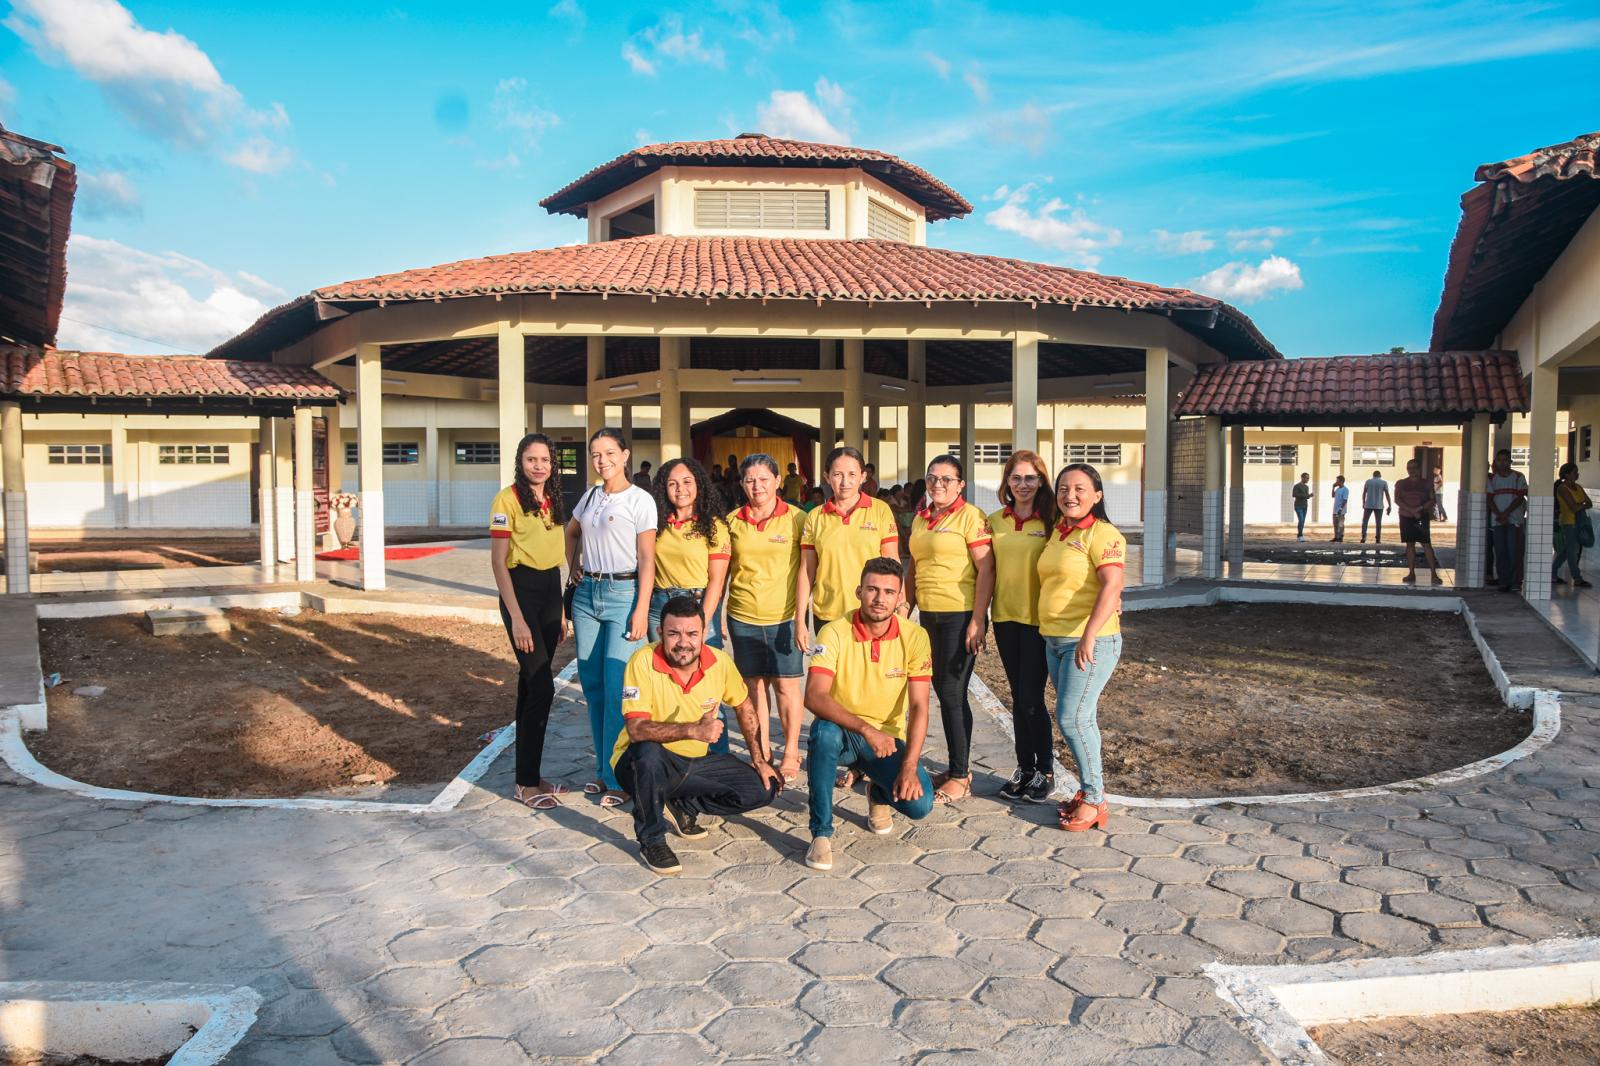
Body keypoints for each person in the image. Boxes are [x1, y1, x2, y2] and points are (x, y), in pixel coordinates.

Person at [613, 596, 783, 874]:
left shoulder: (720, 661)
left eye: (692, 633)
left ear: (704, 634)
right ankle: (652, 839)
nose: (683, 642)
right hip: (638, 765)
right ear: (660, 634)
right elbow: (636, 729)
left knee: (765, 788)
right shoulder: (642, 661)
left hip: (690, 765)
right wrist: (693, 729)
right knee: (647, 752)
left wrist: (760, 759)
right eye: (674, 633)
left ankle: (681, 804)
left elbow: (745, 706)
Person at [802, 558, 935, 870]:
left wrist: (909, 766)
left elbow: (919, 708)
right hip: (845, 733)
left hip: (886, 741)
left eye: (889, 592)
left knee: (920, 805)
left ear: (900, 597)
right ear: (859, 591)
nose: (880, 598)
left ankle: (879, 790)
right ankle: (820, 833)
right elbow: (814, 695)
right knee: (822, 732)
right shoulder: (834, 632)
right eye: (873, 589)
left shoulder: (915, 637)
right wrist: (866, 729)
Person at [565, 428, 658, 807]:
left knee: (620, 687)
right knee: (593, 685)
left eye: (608, 453)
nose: (601, 460)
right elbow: (571, 533)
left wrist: (640, 608)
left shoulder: (641, 500)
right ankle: (603, 771)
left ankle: (619, 776)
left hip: (624, 595)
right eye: (595, 454)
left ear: (625, 455)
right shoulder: (589, 497)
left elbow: (648, 560)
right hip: (587, 594)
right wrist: (571, 569)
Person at [1039, 463, 1125, 832]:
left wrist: (1089, 634)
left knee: (1071, 718)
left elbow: (1112, 585)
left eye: (1079, 489)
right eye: (1063, 489)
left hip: (1088, 641)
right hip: (1055, 640)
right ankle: (1088, 791)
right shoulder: (1059, 531)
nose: (1070, 495)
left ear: (1097, 495)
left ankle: (1094, 798)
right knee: (1080, 718)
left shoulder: (1103, 534)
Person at [905, 454, 995, 805]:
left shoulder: (971, 517)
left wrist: (977, 619)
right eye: (932, 478)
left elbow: (986, 570)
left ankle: (961, 774)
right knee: (942, 691)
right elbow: (914, 566)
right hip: (929, 615)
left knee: (951, 691)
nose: (938, 484)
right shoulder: (922, 519)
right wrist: (905, 606)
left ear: (961, 485)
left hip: (959, 615)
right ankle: (956, 768)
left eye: (946, 479)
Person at [489, 433, 570, 810]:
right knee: (542, 687)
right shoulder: (507, 499)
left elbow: (558, 555)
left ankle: (531, 776)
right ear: (520, 462)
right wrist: (517, 619)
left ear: (553, 464)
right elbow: (498, 562)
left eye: (545, 460)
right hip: (520, 591)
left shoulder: (554, 499)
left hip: (550, 590)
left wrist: (563, 610)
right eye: (531, 459)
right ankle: (524, 783)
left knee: (529, 683)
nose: (538, 466)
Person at [725, 454, 808, 782]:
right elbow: (723, 570)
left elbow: (807, 570)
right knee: (754, 687)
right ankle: (762, 752)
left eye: (763, 479)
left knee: (786, 687)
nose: (756, 486)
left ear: (778, 481)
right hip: (742, 617)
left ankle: (790, 751)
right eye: (749, 480)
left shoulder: (798, 520)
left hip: (784, 617)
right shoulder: (732, 521)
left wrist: (801, 619)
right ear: (742, 484)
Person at [648, 457, 732, 752]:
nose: (679, 489)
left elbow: (717, 581)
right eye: (672, 483)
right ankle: (672, 756)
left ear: (699, 485)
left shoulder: (715, 527)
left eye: (686, 482)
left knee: (707, 686)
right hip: (660, 606)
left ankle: (716, 760)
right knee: (665, 683)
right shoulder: (656, 524)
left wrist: (704, 621)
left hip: (699, 605)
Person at [988, 450, 1056, 803]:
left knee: (1031, 698)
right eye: (1016, 478)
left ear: (1042, 480)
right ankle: (1024, 768)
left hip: (1038, 622)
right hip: (1004, 618)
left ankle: (1046, 770)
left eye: (1031, 478)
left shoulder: (1053, 521)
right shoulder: (995, 520)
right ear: (1007, 482)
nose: (1023, 484)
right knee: (1017, 697)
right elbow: (987, 570)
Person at [796, 446, 900, 654]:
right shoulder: (815, 517)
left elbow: (893, 563)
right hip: (827, 615)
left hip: (870, 614)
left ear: (863, 476)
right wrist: (800, 620)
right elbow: (807, 571)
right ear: (827, 477)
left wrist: (901, 607)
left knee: (868, 681)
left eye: (852, 474)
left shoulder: (880, 510)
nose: (845, 482)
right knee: (830, 682)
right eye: (837, 474)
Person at [1393, 458, 1443, 585]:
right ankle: (1411, 573)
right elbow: (1397, 500)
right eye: (1409, 468)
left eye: (1414, 467)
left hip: (1421, 516)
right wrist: (1410, 510)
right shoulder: (1400, 483)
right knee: (1410, 544)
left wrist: (1419, 509)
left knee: (1426, 543)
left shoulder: (1426, 483)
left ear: (1419, 468)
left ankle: (1434, 574)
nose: (1412, 470)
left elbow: (1432, 500)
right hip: (1405, 516)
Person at [1487, 448, 1528, 593]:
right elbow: (1489, 499)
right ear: (1496, 462)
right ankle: (1504, 581)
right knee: (1500, 552)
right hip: (1498, 521)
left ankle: (1516, 582)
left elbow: (1520, 498)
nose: (1502, 463)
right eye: (1499, 460)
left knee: (1515, 551)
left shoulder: (1518, 476)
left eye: (1505, 460)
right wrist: (1500, 514)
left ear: (1510, 461)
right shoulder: (1492, 479)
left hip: (1514, 521)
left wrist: (1506, 514)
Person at [1553, 462, 1593, 588]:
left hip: (1580, 522)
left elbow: (1590, 503)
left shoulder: (1579, 487)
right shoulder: (1562, 488)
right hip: (1569, 522)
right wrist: (1582, 504)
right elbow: (1573, 507)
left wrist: (1580, 504)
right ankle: (1577, 578)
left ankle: (1552, 573)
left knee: (1567, 550)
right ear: (1567, 474)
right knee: (1572, 551)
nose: (1577, 474)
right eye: (1575, 472)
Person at [1360, 469, 1391, 543]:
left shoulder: (1368, 481)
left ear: (1373, 475)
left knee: (1365, 521)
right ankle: (1378, 538)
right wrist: (1389, 505)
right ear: (1380, 475)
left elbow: (1364, 493)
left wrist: (1363, 502)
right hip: (1379, 505)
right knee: (1378, 522)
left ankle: (1363, 537)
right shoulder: (1383, 482)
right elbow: (1387, 494)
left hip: (1368, 504)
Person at [1291, 473, 1311, 541]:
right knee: (1301, 520)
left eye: (1308, 478)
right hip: (1298, 505)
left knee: (1302, 521)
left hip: (1305, 505)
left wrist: (1309, 495)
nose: (1308, 479)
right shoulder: (1297, 486)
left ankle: (1300, 534)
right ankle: (1300, 535)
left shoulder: (1306, 487)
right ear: (1302, 478)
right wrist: (1305, 495)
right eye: (1306, 478)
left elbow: (1306, 496)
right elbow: (1294, 494)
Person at [1331, 475, 1350, 543]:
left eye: (1337, 481)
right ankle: (1336, 536)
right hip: (1335, 509)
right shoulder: (1337, 489)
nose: (1336, 482)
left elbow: (1345, 500)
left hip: (1341, 510)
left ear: (1341, 481)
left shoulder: (1345, 490)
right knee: (1335, 523)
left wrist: (1341, 508)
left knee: (1341, 524)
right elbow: (1333, 495)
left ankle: (1340, 536)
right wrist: (1333, 487)